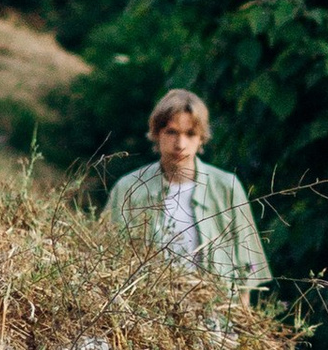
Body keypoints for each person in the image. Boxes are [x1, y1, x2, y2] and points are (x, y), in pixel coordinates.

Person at [103, 86, 270, 302]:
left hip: (213, 310)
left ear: (202, 138)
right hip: (146, 310)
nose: (180, 144)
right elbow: (104, 262)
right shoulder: (128, 188)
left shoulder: (226, 187)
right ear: (157, 133)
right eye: (171, 132)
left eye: (190, 134)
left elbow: (246, 271)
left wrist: (240, 319)